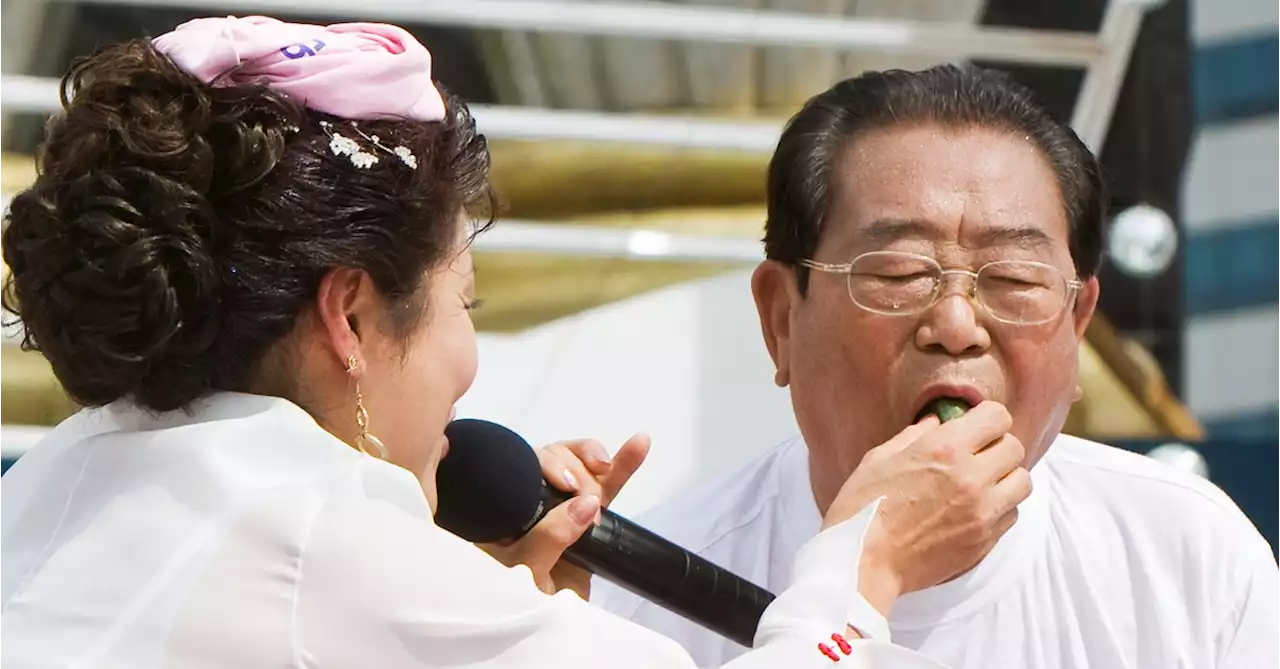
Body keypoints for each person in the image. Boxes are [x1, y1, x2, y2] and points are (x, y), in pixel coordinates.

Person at [0, 16, 1031, 668]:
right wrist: (861, 564)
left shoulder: (46, 486)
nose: (467, 362)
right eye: (466, 305)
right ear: (351, 316)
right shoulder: (330, 542)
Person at [592, 66, 1280, 668]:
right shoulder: (634, 595)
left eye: (1013, 278)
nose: (955, 325)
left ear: (1077, 323)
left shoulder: (1187, 558)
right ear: (780, 318)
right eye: (898, 272)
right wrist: (863, 569)